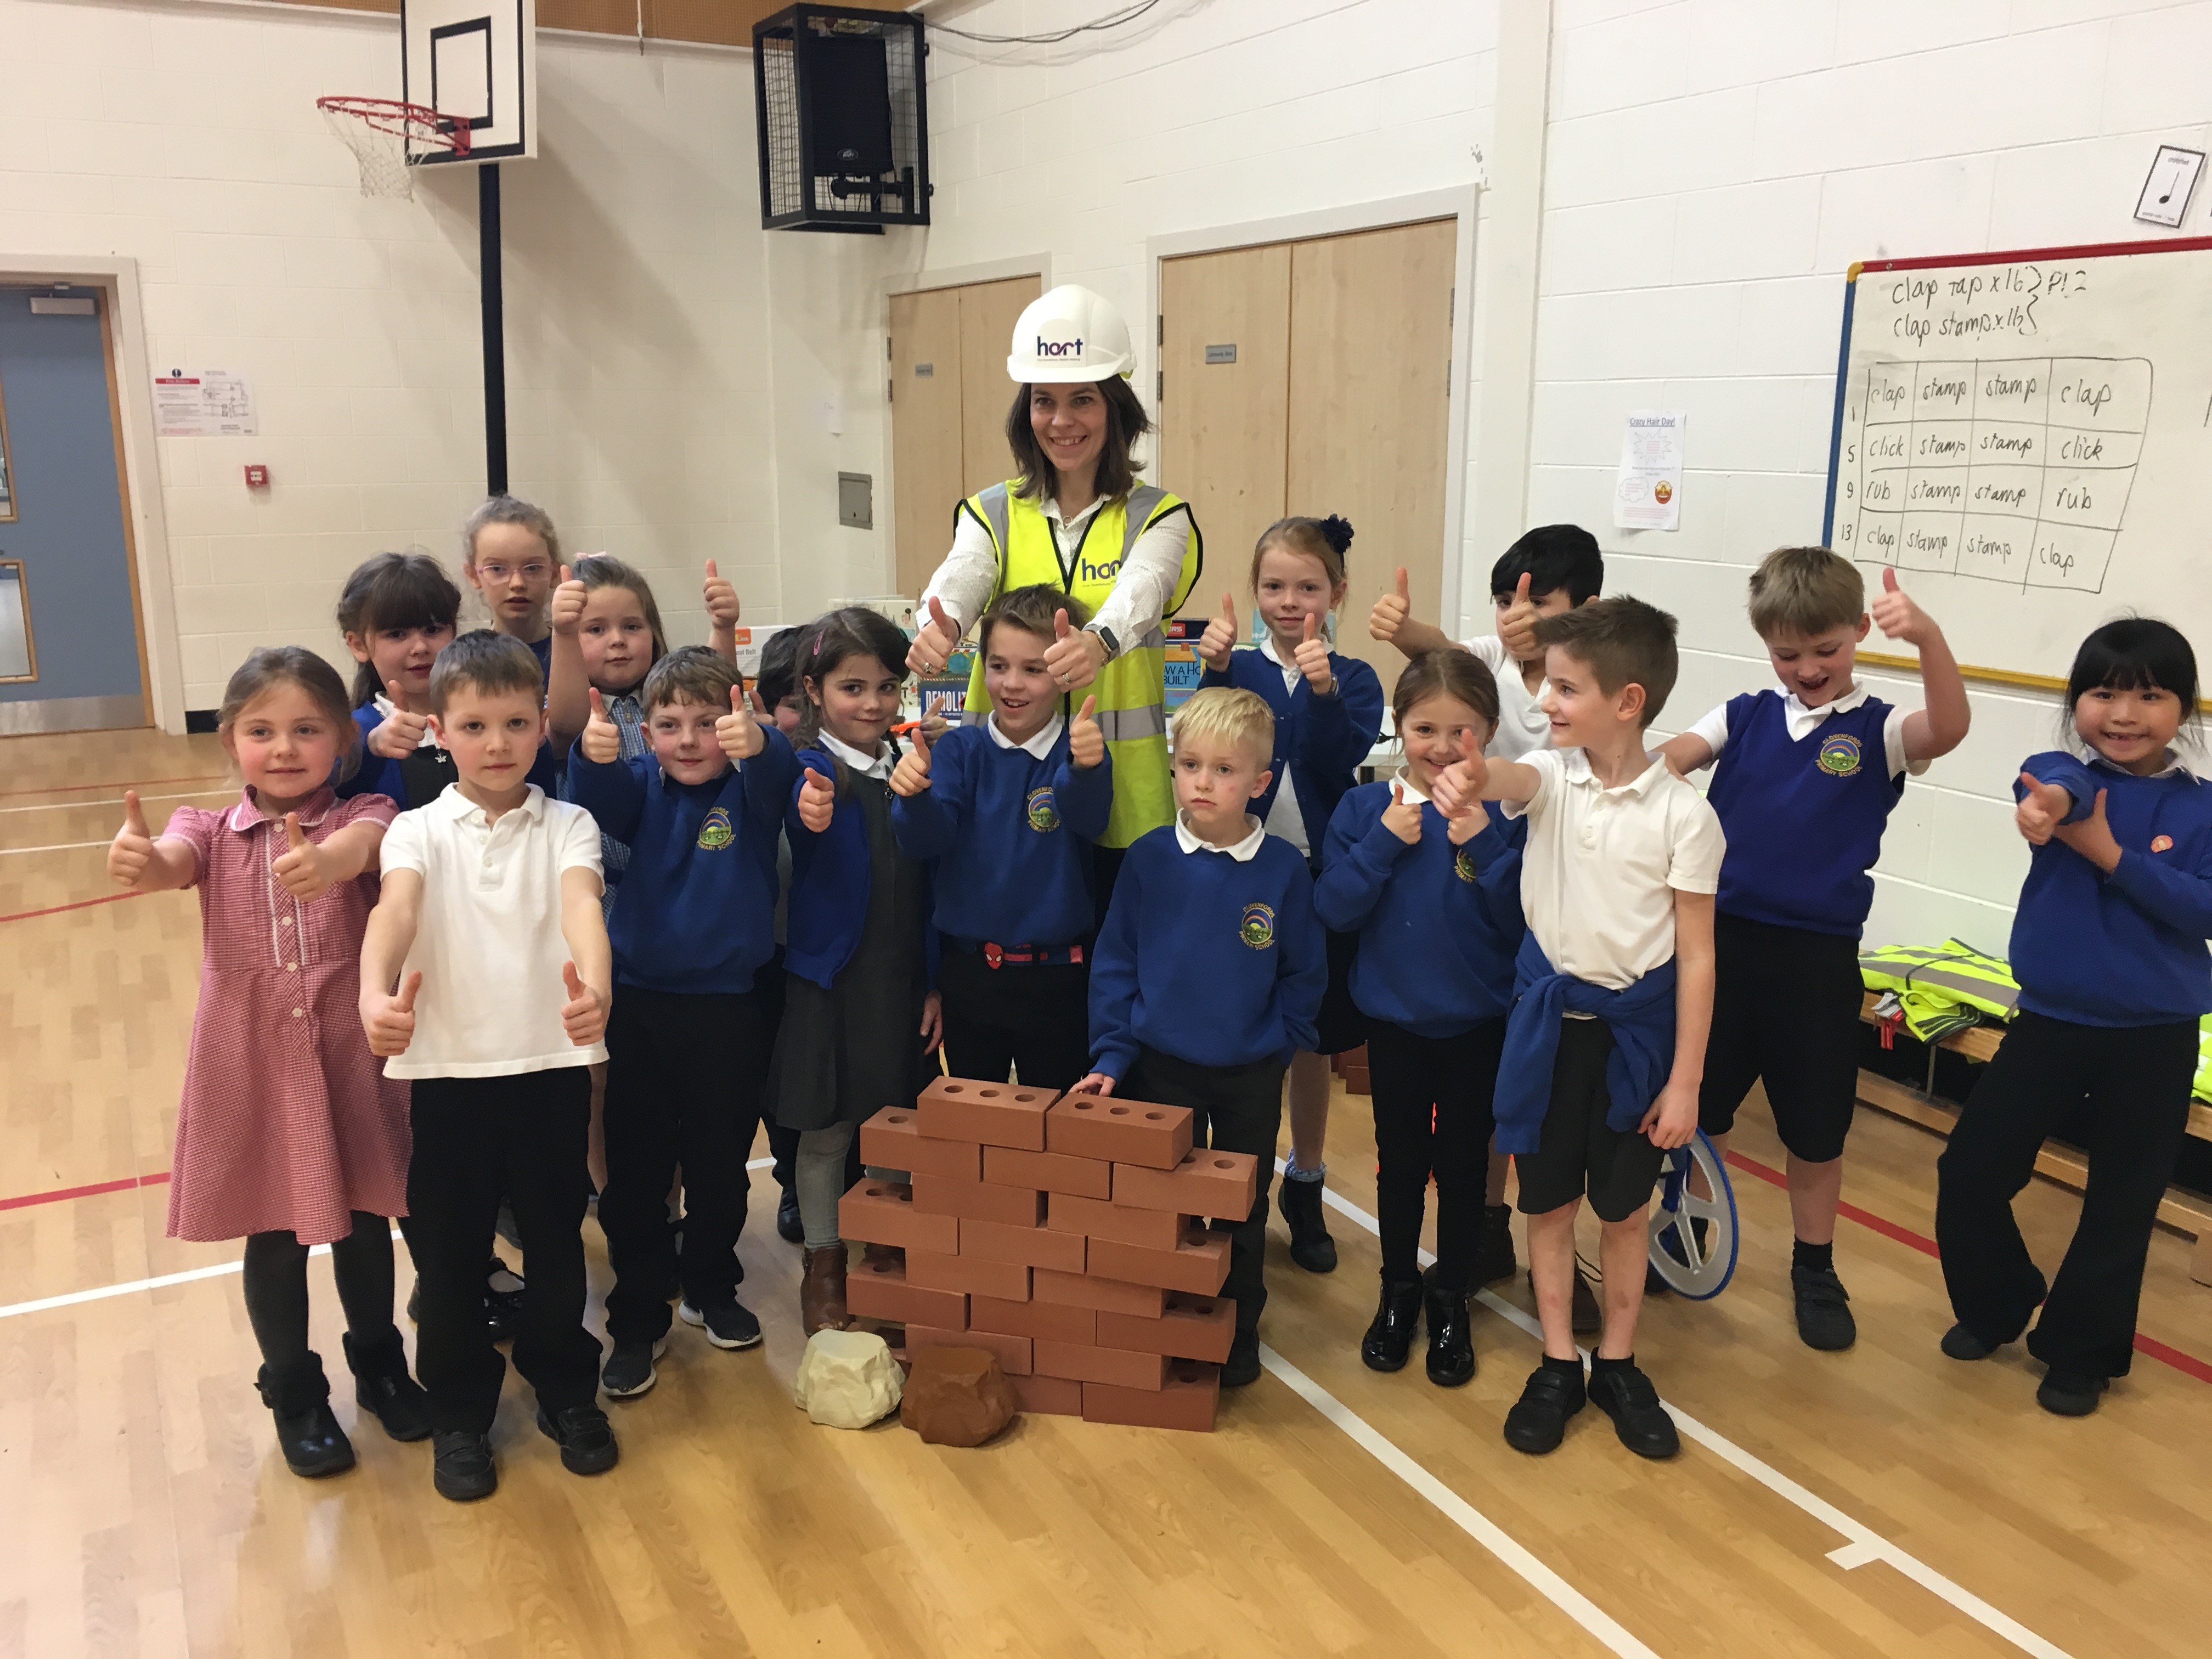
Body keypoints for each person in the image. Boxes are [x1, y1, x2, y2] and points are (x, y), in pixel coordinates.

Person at [107, 647, 427, 1477]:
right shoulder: (203, 829)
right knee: (278, 1233)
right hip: (253, 1060)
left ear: (341, 743)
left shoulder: (369, 812)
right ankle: (293, 1387)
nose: (284, 748)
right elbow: (174, 864)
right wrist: (146, 865)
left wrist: (326, 862)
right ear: (229, 743)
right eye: (261, 731)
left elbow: (363, 849)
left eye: (306, 729)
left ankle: (382, 1363)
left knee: (363, 1221)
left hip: (347, 1054)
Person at [1432, 597, 1722, 1461]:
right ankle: (1558, 1360)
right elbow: (1510, 779)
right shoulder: (1551, 777)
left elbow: (1699, 960)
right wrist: (1473, 775)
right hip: (1550, 1034)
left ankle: (1621, 1363)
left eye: (1564, 688)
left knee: (1624, 1212)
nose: (1547, 703)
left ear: (1626, 702)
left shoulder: (1686, 817)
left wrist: (1685, 1082)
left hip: (1636, 1042)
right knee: (1548, 1201)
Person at [1658, 548, 1969, 1350]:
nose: (1808, 668)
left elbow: (1952, 726)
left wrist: (1930, 640)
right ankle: (1686, 1227)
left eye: (1826, 650)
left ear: (1861, 632)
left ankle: (1815, 1265)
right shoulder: (1744, 714)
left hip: (1818, 961)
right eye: (1788, 654)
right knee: (1698, 1114)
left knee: (1816, 1131)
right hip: (1718, 952)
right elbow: (1665, 764)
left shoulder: (1883, 729)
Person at [358, 631, 616, 1503]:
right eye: (475, 725)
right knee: (453, 1260)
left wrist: (600, 989)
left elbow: (582, 905)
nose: (497, 743)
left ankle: (566, 1390)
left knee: (555, 1247)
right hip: (449, 1081)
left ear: (544, 725)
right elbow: (395, 911)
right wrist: (372, 994)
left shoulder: (569, 823)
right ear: (441, 731)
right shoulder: (415, 830)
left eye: (515, 722)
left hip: (548, 1070)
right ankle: (461, 1415)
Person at [1936, 619, 2211, 1417]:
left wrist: (2108, 854)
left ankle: (2080, 1351)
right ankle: (1998, 1302)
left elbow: (2201, 908)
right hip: (2052, 1022)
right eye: (2104, 693)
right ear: (2077, 702)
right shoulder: (2057, 787)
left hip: (2155, 1037)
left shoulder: (2199, 810)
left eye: (2150, 696)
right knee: (1971, 1172)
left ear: (2183, 711)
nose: (2124, 714)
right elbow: (2052, 774)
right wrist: (2058, 806)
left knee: (2122, 1203)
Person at [1369, 523, 1607, 1319]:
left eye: (1539, 600)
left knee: (1537, 1089)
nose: (1518, 614)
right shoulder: (1490, 665)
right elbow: (1441, 652)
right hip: (1495, 862)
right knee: (1492, 1092)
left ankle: (1542, 1239)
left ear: (1587, 611)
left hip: (1565, 886)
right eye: (1508, 598)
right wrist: (1403, 629)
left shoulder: (1590, 679)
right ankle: (1488, 1231)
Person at [1073, 686, 1327, 1389]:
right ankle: (1171, 1320)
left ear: (1260, 782)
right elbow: (1116, 962)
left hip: (1249, 1071)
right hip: (1160, 1067)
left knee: (1241, 1207)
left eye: (1224, 770)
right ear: (1173, 768)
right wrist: (1114, 1053)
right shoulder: (1150, 858)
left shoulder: (1281, 871)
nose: (1204, 783)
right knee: (1165, 1205)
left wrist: (1282, 1042)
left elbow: (1305, 971)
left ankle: (1238, 1328)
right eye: (1190, 766)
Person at [905, 284, 1202, 882]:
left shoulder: (1160, 517)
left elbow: (1143, 588)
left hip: (1124, 796)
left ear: (1115, 408)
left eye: (1083, 400)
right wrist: (938, 622)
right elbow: (964, 572)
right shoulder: (991, 512)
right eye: (1045, 402)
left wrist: (1099, 643)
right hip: (1006, 791)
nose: (1062, 421)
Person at [569, 647, 799, 1398]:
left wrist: (759, 740)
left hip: (731, 1006)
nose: (691, 740)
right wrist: (591, 754)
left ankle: (712, 1286)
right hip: (639, 1004)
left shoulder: (752, 789)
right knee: (635, 1176)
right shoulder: (636, 782)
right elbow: (596, 799)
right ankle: (637, 1318)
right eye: (670, 725)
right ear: (648, 735)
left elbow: (780, 772)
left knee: (719, 1166)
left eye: (709, 723)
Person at [1316, 649, 1523, 1386]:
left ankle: (1451, 1296)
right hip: (1395, 1027)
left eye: (1460, 731)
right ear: (1398, 727)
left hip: (1478, 1025)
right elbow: (1332, 908)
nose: (1440, 746)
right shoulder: (1366, 810)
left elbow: (1522, 925)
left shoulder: (1504, 813)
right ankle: (1398, 1290)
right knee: (1401, 1166)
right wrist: (1380, 846)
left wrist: (1487, 844)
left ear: (1490, 732)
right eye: (1424, 727)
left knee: (1466, 1171)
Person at [1197, 514, 1385, 1274]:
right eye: (1273, 586)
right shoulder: (1235, 667)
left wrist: (1322, 690)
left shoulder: (1356, 678)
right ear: (1254, 590)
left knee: (1309, 1038)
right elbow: (1205, 752)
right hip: (1234, 872)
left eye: (1308, 587)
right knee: (1234, 1025)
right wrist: (1211, 674)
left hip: (1313, 879)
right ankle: (1221, 1179)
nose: (1288, 601)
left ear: (1336, 592)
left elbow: (1337, 757)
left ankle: (1304, 1183)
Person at [772, 607, 943, 1335]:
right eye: (852, 687)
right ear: (813, 690)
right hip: (830, 985)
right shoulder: (808, 769)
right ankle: (825, 1264)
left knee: (899, 1125)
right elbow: (797, 816)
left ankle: (890, 1255)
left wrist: (934, 980)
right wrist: (809, 807)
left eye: (885, 686)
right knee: (829, 1131)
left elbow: (932, 880)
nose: (872, 703)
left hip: (899, 984)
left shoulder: (909, 771)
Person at [892, 584, 1113, 1092]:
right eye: (998, 666)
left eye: (1033, 669)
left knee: (1055, 1129)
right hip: (972, 976)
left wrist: (1084, 769)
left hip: (1058, 978)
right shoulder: (958, 751)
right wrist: (915, 795)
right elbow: (924, 841)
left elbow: (1090, 819)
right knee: (978, 1129)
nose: (1012, 684)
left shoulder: (1079, 751)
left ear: (1063, 674)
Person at [460, 494, 588, 750]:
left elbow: (568, 733)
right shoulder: (467, 661)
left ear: (553, 573)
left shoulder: (578, 648)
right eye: (497, 569)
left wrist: (565, 634)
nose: (517, 584)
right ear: (474, 575)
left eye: (532, 568)